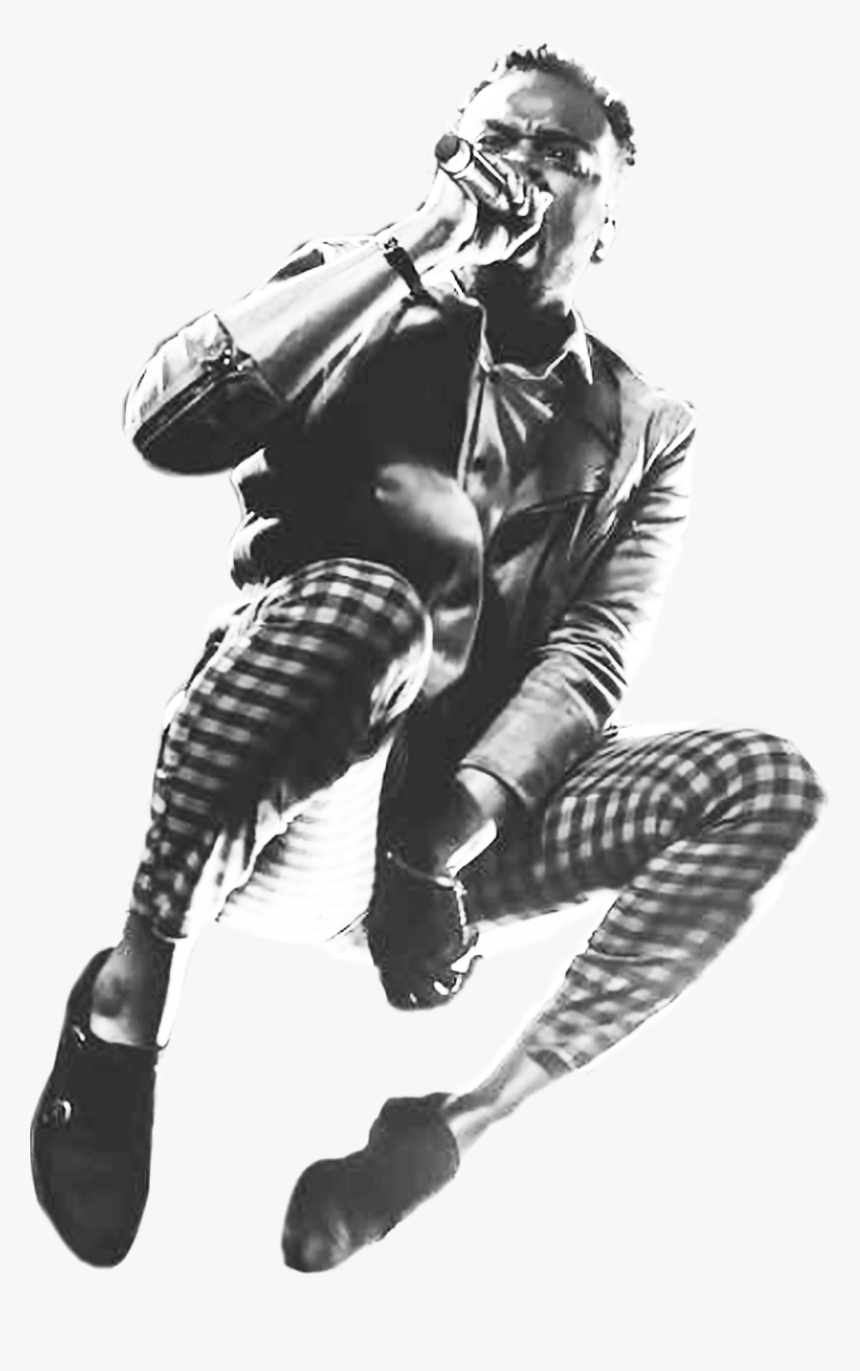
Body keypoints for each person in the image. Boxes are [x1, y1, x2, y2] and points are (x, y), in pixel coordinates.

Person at [31, 45, 824, 1273]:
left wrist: (439, 844)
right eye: (492, 140)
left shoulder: (648, 427)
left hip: (453, 852)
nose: (519, 167)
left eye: (559, 154)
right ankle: (128, 1001)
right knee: (376, 607)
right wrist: (414, 244)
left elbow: (592, 651)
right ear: (448, 159)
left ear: (607, 217)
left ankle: (450, 1133)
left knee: (765, 782)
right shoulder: (350, 287)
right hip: (294, 797)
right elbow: (165, 426)